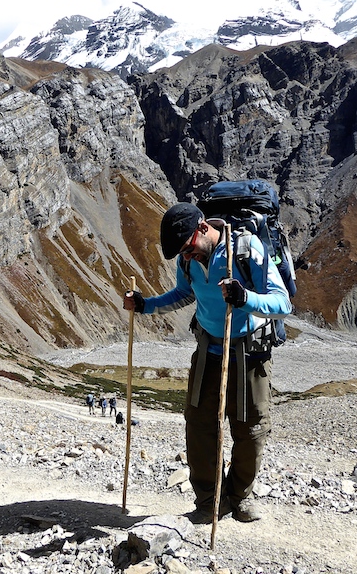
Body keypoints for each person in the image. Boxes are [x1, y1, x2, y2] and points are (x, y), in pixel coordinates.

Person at [123, 203, 291, 525]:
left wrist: (245, 299)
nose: (187, 257)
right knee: (199, 427)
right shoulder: (188, 260)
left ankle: (240, 497)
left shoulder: (246, 249)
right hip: (208, 351)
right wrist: (146, 305)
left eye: (188, 249)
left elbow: (282, 303)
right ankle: (210, 501)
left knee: (251, 430)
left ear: (202, 228)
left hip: (249, 353)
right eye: (182, 254)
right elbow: (184, 294)